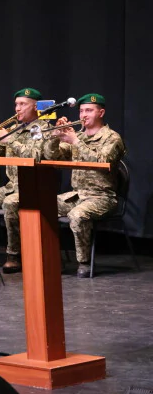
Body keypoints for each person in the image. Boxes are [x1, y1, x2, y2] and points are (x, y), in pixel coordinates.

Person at [54, 93, 126, 277]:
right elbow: (54, 156)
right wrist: (55, 137)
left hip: (102, 197)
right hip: (77, 194)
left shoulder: (112, 138)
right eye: (81, 111)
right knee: (42, 205)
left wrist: (75, 142)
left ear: (101, 113)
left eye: (89, 110)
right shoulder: (78, 136)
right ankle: (52, 258)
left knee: (77, 215)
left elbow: (102, 161)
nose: (83, 115)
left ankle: (83, 262)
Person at [0, 88, 62, 273]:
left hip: (34, 187)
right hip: (12, 186)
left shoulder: (43, 128)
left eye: (22, 104)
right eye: (16, 104)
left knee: (10, 203)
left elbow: (35, 156)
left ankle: (14, 255)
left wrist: (10, 141)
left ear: (36, 106)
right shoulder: (15, 129)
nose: (17, 108)